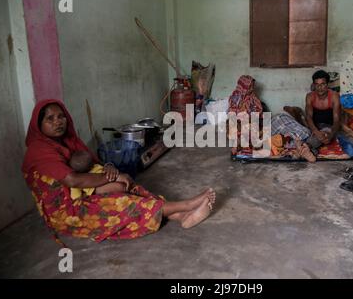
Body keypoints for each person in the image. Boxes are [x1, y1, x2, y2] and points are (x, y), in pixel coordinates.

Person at [22, 100, 216, 243]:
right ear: (38, 125)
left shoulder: (68, 139)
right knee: (124, 203)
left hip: (82, 192)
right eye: (50, 119)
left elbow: (91, 162)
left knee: (127, 185)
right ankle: (186, 205)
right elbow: (72, 180)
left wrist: (108, 168)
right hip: (67, 211)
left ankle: (179, 216)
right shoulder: (39, 150)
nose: (58, 122)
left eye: (61, 116)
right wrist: (108, 177)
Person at [272, 70, 341, 162]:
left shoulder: (334, 96)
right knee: (306, 133)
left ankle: (303, 149)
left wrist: (331, 134)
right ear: (313, 85)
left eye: (323, 84)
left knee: (323, 135)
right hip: (311, 125)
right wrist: (315, 131)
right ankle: (307, 150)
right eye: (317, 84)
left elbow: (336, 120)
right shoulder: (310, 96)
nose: (320, 87)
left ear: (327, 84)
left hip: (327, 127)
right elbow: (308, 117)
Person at [68, 151, 138, 200]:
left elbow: (76, 197)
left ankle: (129, 190)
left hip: (102, 183)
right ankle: (130, 190)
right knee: (123, 183)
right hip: (102, 184)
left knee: (123, 183)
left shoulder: (78, 179)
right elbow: (77, 197)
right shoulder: (96, 166)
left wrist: (85, 195)